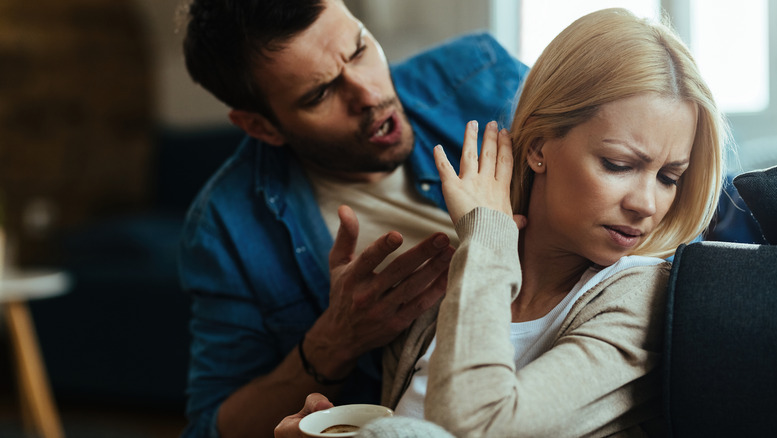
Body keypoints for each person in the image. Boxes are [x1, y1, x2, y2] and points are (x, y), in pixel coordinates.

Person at [275, 7, 725, 437]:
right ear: (538, 147)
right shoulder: (454, 284)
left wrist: (488, 236)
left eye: (670, 177)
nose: (646, 204)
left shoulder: (643, 296)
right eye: (618, 164)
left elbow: (478, 428)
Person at [177, 0, 528, 436]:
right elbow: (211, 428)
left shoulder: (479, 74)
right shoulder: (226, 228)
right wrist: (337, 340)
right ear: (261, 127)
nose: (368, 94)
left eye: (360, 48)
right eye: (320, 93)